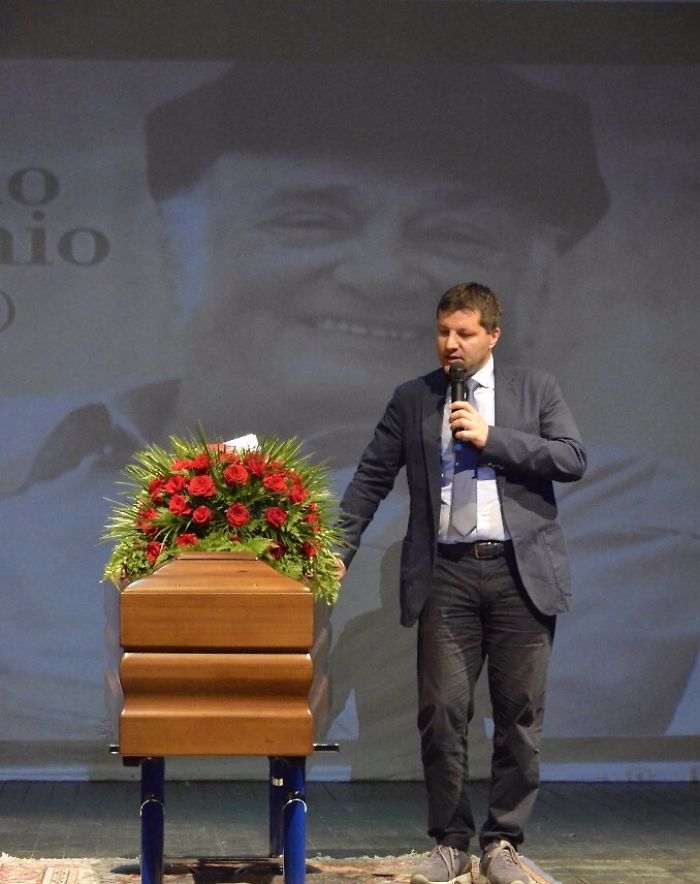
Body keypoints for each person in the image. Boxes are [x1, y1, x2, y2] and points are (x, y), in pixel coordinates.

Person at [335, 282, 586, 884]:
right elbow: (371, 478)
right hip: (446, 572)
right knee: (442, 711)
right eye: (443, 332)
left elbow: (571, 458)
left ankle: (502, 843)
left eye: (465, 333)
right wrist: (339, 549)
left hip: (518, 572)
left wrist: (491, 438)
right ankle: (450, 842)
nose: (451, 343)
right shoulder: (414, 398)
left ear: (492, 335)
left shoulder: (535, 389)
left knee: (519, 715)